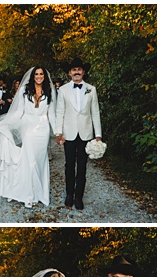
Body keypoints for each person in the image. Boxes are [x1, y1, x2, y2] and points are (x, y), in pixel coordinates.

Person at [0, 66, 56, 209]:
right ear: (32, 76)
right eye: (36, 74)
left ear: (45, 77)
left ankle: (40, 193)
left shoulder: (50, 92)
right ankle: (29, 195)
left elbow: (52, 114)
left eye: (41, 74)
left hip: (43, 129)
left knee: (41, 161)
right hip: (28, 128)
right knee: (30, 161)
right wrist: (3, 124)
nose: (39, 76)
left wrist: (58, 132)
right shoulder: (24, 91)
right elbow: (18, 113)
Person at [54, 57, 102, 210]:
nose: (76, 72)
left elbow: (95, 113)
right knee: (69, 165)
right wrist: (58, 132)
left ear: (84, 72)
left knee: (82, 166)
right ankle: (69, 194)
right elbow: (59, 112)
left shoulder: (91, 89)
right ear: (69, 73)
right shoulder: (63, 90)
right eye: (74, 70)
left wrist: (98, 135)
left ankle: (79, 196)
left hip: (86, 134)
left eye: (79, 70)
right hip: (69, 134)